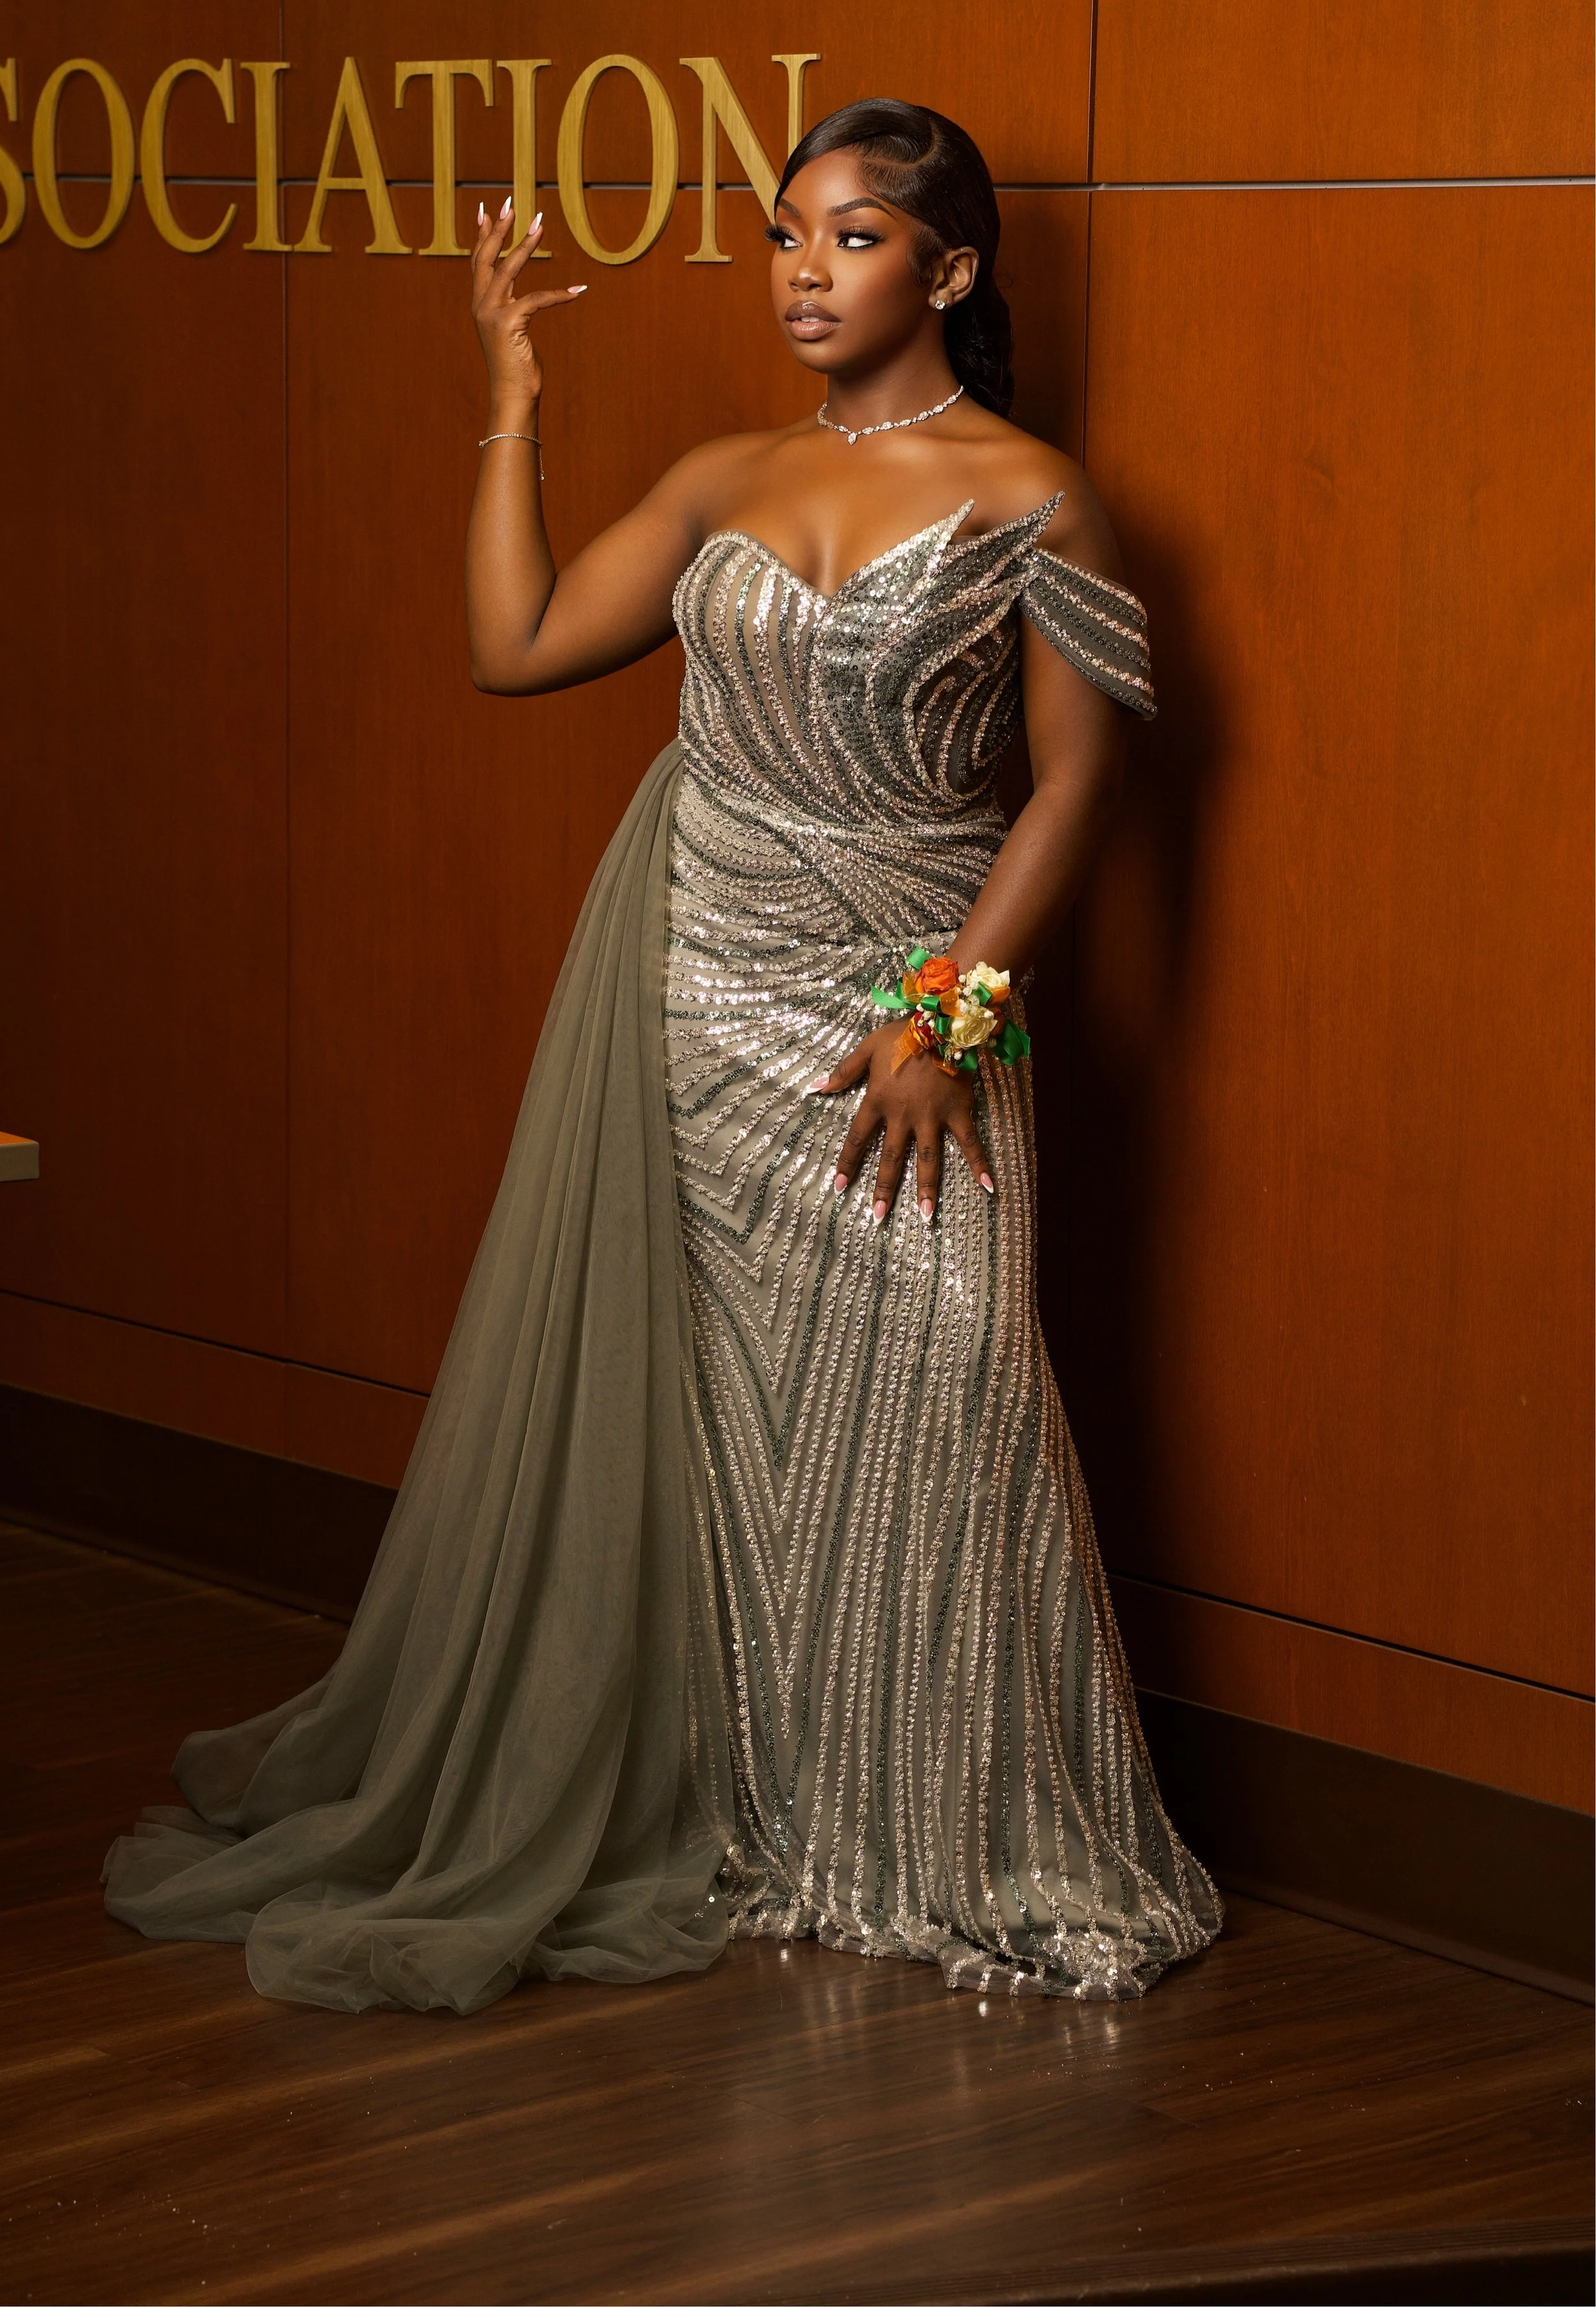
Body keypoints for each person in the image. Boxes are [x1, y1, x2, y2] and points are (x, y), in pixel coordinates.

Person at [104, 100, 1221, 2014]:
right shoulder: (717, 473)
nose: (802, 267)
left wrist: (949, 1011)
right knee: (711, 1428)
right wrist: (511, 390)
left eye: (852, 236)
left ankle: (933, 1830)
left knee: (938, 1406)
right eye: (783, 231)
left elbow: (1084, 782)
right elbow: (515, 642)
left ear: (948, 271)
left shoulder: (1035, 492)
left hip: (909, 1011)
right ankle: (751, 1805)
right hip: (699, 988)